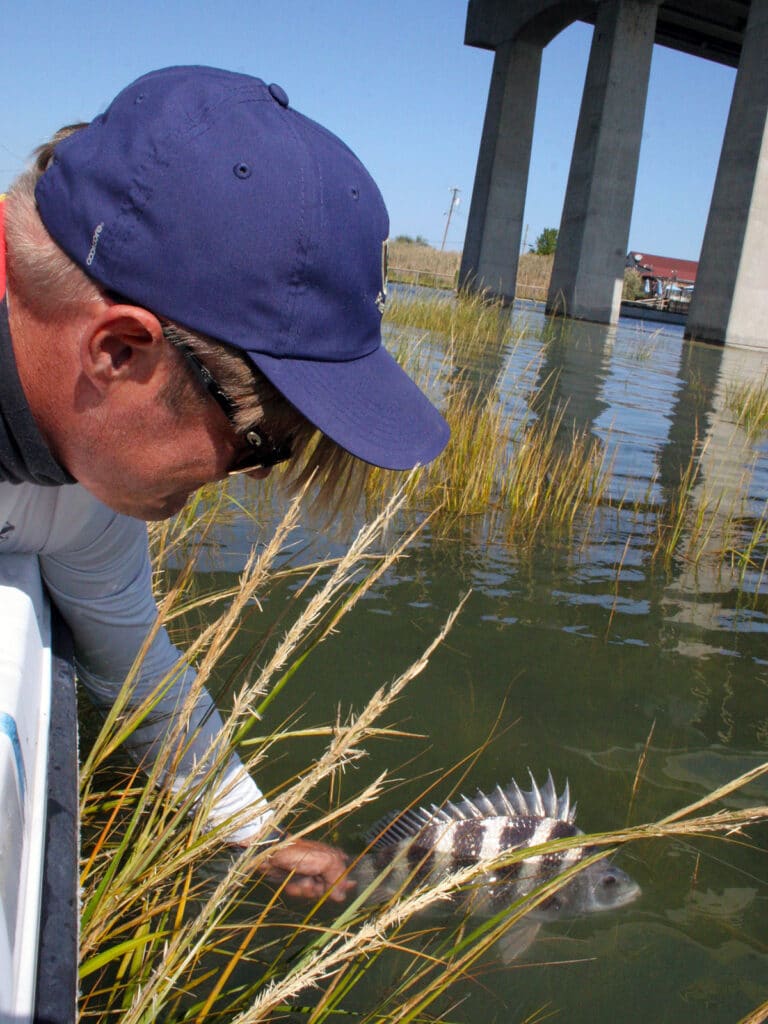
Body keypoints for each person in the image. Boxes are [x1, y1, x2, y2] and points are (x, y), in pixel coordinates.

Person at [0, 65, 449, 902]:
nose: (248, 482)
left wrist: (253, 835)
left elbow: (131, 659)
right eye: (259, 445)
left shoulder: (84, 492)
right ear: (118, 352)